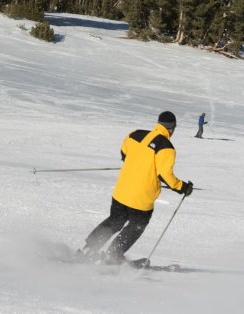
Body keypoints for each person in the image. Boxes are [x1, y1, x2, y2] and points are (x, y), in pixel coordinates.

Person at [82, 111, 193, 264]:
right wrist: (183, 187)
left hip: (121, 191)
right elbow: (164, 175)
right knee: (136, 226)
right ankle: (113, 254)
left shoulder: (135, 134)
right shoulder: (166, 147)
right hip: (141, 199)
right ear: (172, 128)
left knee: (114, 221)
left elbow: (124, 152)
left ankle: (89, 248)